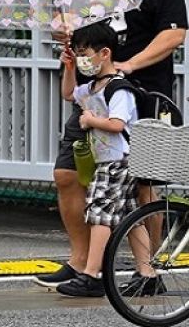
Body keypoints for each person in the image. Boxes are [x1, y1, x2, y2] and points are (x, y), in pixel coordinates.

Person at [35, 0, 188, 288]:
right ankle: (81, 261)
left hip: (142, 97)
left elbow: (175, 34)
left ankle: (147, 270)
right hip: (92, 100)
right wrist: (66, 36)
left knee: (142, 187)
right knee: (68, 174)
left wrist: (129, 65)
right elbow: (73, 37)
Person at [54, 22, 162, 297]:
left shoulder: (119, 88)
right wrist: (68, 69)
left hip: (119, 160)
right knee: (130, 218)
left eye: (84, 53)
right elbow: (68, 94)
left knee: (100, 215)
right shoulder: (92, 87)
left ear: (104, 53)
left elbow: (117, 124)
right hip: (108, 160)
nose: (82, 59)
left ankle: (91, 275)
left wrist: (91, 120)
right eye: (77, 53)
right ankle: (147, 274)